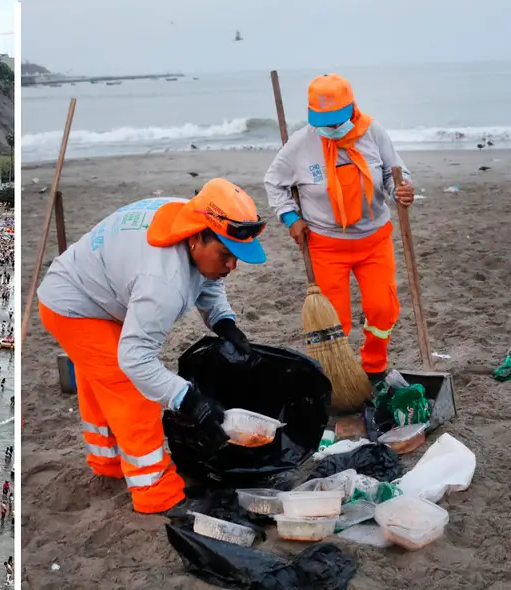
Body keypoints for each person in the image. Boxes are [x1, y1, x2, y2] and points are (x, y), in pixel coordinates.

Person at [36, 178, 267, 515]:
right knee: (131, 389)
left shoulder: (188, 218)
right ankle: (155, 491)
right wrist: (188, 399)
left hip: (99, 291)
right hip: (74, 306)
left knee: (101, 378)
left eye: (237, 257)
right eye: (227, 255)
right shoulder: (163, 283)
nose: (233, 266)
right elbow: (136, 360)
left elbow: (208, 276)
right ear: (197, 236)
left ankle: (108, 461)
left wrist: (222, 320)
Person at [264, 73, 414, 386]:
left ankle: (374, 368)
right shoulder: (300, 145)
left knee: (382, 308)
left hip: (374, 240)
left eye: (337, 121)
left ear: (352, 110)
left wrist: (401, 189)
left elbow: (393, 173)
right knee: (335, 320)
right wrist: (291, 218)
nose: (332, 129)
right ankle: (337, 376)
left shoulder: (372, 132)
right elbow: (274, 183)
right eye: (325, 122)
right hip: (325, 244)